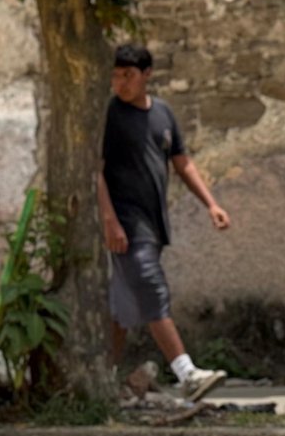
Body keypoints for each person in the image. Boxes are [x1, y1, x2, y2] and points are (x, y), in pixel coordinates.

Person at [96, 44, 231, 402]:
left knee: (122, 309)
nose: (120, 83)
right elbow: (96, 171)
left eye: (127, 75)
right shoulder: (110, 114)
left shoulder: (163, 114)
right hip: (125, 223)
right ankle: (186, 373)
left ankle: (103, 380)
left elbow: (182, 163)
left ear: (147, 75)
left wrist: (211, 204)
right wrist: (109, 219)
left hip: (153, 223)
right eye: (115, 75)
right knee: (151, 286)